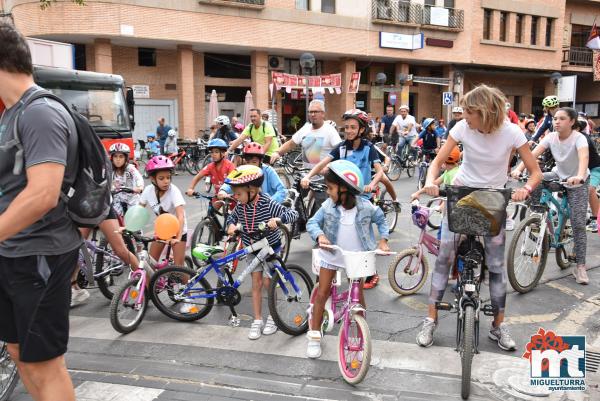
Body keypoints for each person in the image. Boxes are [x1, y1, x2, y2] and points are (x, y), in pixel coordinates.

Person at [417, 84, 542, 351]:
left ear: (484, 112)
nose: (464, 117)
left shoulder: (511, 132)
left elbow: (535, 173)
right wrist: (430, 181)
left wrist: (525, 189)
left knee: (496, 266)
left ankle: (498, 326)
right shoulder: (463, 128)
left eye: (469, 112)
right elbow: (437, 162)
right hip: (462, 194)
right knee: (444, 257)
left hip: (493, 200)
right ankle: (430, 320)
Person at [0, 21, 79, 401]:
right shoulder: (10, 114)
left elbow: (44, 193)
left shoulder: (39, 112)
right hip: (13, 252)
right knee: (19, 354)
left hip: (40, 254)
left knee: (45, 363)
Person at [305, 160, 390, 358]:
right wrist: (319, 235)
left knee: (358, 298)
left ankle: (359, 340)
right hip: (332, 255)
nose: (327, 192)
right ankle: (315, 335)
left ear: (344, 189)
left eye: (331, 188)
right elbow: (312, 222)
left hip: (355, 258)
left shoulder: (366, 206)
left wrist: (384, 240)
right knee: (322, 292)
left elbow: (381, 220)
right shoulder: (328, 206)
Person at [301, 109, 386, 289]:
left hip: (360, 196)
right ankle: (331, 265)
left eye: (353, 127)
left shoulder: (368, 148)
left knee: (363, 236)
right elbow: (323, 163)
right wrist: (308, 176)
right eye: (346, 127)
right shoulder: (341, 147)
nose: (348, 131)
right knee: (335, 228)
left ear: (361, 130)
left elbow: (379, 171)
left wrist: (372, 184)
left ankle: (371, 272)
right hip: (342, 195)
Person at [513, 107, 590, 284]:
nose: (557, 121)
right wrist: (518, 169)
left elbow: (584, 157)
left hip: (577, 180)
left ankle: (580, 267)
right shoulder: (550, 137)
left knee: (578, 223)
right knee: (537, 179)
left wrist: (578, 176)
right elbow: (532, 156)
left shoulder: (579, 139)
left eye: (562, 118)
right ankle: (539, 217)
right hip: (558, 174)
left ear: (571, 121)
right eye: (555, 118)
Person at [225, 165, 298, 339]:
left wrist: (278, 220)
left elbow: (293, 214)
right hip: (251, 248)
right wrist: (231, 225)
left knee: (268, 284)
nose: (236, 197)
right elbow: (231, 218)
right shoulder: (241, 205)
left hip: (270, 249)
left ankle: (273, 317)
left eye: (239, 194)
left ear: (252, 190)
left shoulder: (267, 202)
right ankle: (257, 320)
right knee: (255, 283)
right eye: (234, 194)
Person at [140, 156, 188, 268]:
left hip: (178, 230)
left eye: (168, 177)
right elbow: (138, 210)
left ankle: (186, 285)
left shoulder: (174, 190)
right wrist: (128, 227)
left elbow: (180, 216)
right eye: (161, 178)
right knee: (150, 264)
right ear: (153, 179)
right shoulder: (148, 191)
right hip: (162, 230)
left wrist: (178, 238)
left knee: (179, 268)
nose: (166, 181)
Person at [271, 100, 342, 169]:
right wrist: (277, 153)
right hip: (306, 176)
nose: (313, 114)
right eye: (310, 112)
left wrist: (331, 167)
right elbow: (291, 144)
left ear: (323, 113)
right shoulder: (305, 129)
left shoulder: (330, 130)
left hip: (323, 179)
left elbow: (340, 151)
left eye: (315, 112)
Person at [218, 142, 287, 204]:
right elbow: (231, 181)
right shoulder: (243, 170)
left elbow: (282, 191)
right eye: (247, 162)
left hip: (267, 209)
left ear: (261, 161)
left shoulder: (268, 171)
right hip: (247, 206)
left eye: (254, 162)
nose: (250, 165)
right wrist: (223, 191)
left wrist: (269, 203)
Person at [574, 118, 600, 233]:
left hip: (594, 169)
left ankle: (595, 219)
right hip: (579, 170)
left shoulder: (583, 138)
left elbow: (584, 157)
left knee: (589, 189)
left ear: (578, 128)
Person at [109, 143, 144, 217]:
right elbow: (105, 181)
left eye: (121, 156)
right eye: (115, 156)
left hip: (132, 198)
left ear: (126, 158)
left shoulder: (130, 169)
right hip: (117, 198)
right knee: (114, 217)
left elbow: (138, 178)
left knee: (134, 220)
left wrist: (139, 187)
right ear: (112, 158)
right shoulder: (111, 170)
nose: (118, 159)